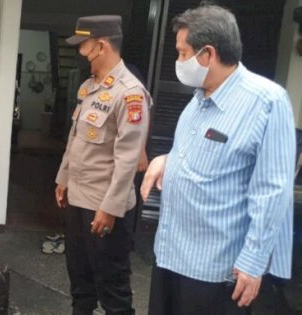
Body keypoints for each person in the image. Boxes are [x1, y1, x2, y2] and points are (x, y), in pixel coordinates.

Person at [141, 4, 295, 314]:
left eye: (182, 53)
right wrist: (166, 160)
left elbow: (273, 191)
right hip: (170, 256)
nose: (179, 61)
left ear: (208, 54)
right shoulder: (199, 100)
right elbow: (198, 153)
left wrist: (252, 263)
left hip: (215, 273)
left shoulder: (266, 102)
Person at [54, 15, 150, 315]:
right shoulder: (88, 87)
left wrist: (109, 209)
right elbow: (75, 140)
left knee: (113, 290)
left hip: (105, 208)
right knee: (79, 283)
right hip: (78, 199)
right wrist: (63, 179)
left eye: (83, 46)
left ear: (102, 46)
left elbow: (127, 159)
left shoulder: (130, 93)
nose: (81, 52)